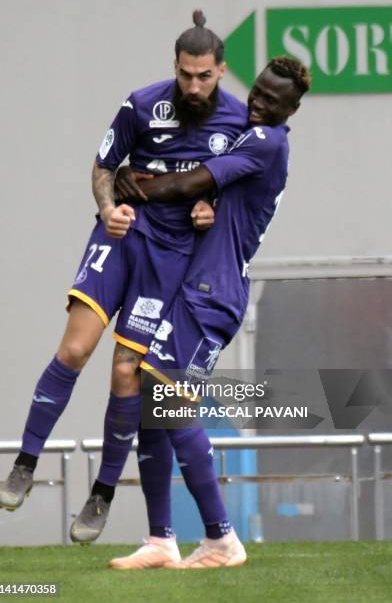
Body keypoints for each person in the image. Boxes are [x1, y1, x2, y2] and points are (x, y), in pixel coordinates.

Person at [0, 11, 247, 547]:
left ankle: (103, 491)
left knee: (127, 372)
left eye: (204, 76)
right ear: (174, 68)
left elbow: (241, 197)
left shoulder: (239, 124)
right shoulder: (141, 103)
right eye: (186, 74)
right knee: (73, 351)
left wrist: (210, 211)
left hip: (173, 255)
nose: (194, 85)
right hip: (122, 235)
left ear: (221, 71)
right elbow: (103, 165)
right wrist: (108, 206)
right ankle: (25, 462)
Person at [106, 56, 311, 569]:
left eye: (272, 100)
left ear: (292, 109)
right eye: (258, 92)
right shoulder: (253, 137)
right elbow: (211, 192)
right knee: (156, 400)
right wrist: (208, 208)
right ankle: (160, 541)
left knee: (170, 399)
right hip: (195, 283)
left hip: (214, 292)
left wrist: (131, 185)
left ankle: (221, 538)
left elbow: (188, 182)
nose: (259, 103)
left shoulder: (268, 141)